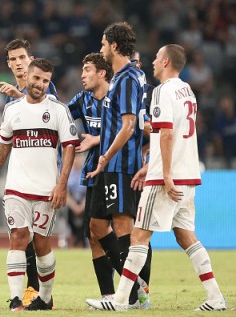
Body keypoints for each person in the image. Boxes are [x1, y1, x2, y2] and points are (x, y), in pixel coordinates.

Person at [87, 44, 227, 312]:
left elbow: (166, 134)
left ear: (165, 62)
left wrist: (163, 174)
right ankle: (216, 297)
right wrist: (150, 165)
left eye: (156, 58)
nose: (151, 62)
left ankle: (119, 301)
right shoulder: (188, 91)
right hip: (188, 175)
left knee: (138, 237)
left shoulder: (163, 91)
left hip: (167, 180)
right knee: (186, 236)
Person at [0, 58, 79, 311]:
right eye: (36, 79)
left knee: (41, 244)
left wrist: (62, 184)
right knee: (18, 236)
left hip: (46, 190)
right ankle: (16, 299)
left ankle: (45, 298)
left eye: (46, 81)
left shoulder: (58, 110)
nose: (40, 85)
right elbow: (3, 146)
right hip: (16, 187)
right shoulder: (12, 110)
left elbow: (70, 147)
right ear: (27, 77)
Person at [85, 22, 149, 307]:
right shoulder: (125, 76)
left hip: (121, 165)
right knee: (97, 225)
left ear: (113, 45)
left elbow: (129, 125)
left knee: (125, 227)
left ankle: (132, 296)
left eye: (102, 44)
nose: (100, 49)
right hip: (109, 166)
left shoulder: (126, 79)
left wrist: (106, 155)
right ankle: (130, 289)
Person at [0, 38, 59, 307]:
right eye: (14, 59)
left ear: (30, 58)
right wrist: (1, 133)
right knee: (22, 235)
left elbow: (48, 109)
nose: (19, 63)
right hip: (22, 177)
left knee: (38, 238)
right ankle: (31, 290)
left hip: (44, 177)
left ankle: (40, 291)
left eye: (22, 57)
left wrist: (18, 97)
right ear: (8, 64)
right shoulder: (13, 101)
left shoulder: (42, 85)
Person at [67, 52, 117, 299]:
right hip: (94, 172)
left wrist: (96, 139)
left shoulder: (119, 96)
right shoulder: (82, 99)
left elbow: (133, 128)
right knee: (94, 232)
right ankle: (109, 295)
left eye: (87, 70)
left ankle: (137, 286)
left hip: (120, 170)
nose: (82, 75)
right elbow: (58, 114)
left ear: (102, 73)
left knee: (127, 233)